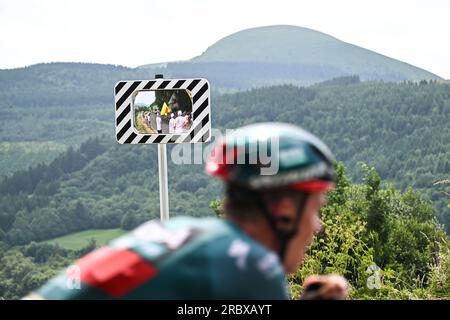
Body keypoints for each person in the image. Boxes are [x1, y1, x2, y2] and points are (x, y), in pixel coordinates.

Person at [24, 122, 347, 300]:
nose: (317, 226)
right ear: (285, 210)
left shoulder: (180, 232)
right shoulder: (251, 264)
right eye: (316, 208)